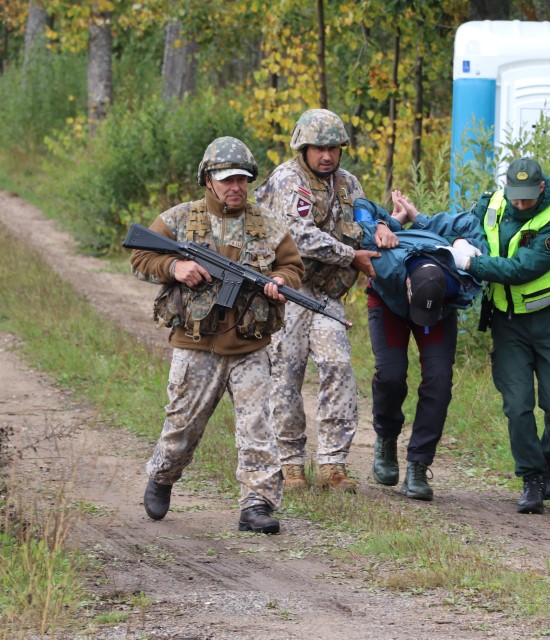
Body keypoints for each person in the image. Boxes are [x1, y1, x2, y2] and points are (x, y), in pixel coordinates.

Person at [131, 136, 305, 534]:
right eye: (227, 179)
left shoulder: (269, 227)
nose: (236, 187)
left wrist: (280, 279)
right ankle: (162, 476)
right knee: (182, 426)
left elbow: (294, 268)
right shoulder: (178, 219)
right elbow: (140, 257)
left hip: (250, 346)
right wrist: (176, 269)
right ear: (208, 179)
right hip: (196, 346)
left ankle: (257, 503)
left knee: (258, 427)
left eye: (243, 180)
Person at [255, 109, 394, 492]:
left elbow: (365, 221)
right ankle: (291, 462)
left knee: (338, 366)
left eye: (333, 147)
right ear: (303, 147)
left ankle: (333, 463)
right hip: (289, 290)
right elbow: (296, 234)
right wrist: (351, 256)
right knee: (287, 373)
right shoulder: (288, 179)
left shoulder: (348, 183)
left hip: (328, 293)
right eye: (319, 148)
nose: (327, 155)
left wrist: (383, 225)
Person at [460, 157, 550, 515]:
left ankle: (549, 459)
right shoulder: (491, 204)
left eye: (528, 197)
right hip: (507, 322)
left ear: (542, 187)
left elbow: (522, 268)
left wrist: (472, 263)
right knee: (517, 405)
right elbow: (468, 229)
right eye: (516, 196)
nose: (520, 203)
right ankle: (531, 477)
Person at [353, 193, 486, 501]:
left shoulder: (463, 279)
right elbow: (361, 203)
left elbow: (469, 222)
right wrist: (380, 225)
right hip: (389, 299)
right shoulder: (386, 263)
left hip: (437, 308)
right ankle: (386, 436)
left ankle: (418, 463)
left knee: (439, 380)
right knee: (391, 374)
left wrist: (420, 218)